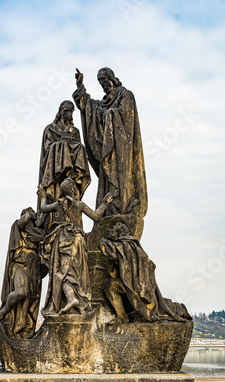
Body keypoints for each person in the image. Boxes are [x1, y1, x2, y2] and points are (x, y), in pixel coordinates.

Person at [73, 67, 147, 218]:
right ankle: (108, 210)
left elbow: (125, 115)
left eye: (104, 80)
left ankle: (122, 207)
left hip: (121, 147)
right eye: (100, 81)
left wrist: (108, 115)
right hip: (108, 146)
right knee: (107, 176)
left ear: (111, 78)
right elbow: (89, 107)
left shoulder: (126, 95)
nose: (102, 84)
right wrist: (80, 86)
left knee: (120, 178)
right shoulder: (103, 102)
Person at [38, 178, 113, 316]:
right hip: (77, 240)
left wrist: (42, 197)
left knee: (63, 273)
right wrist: (104, 204)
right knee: (73, 273)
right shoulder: (79, 205)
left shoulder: (57, 205)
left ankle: (72, 298)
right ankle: (73, 298)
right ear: (73, 191)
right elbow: (96, 216)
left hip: (63, 239)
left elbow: (43, 208)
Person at [99, 223, 191, 323]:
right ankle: (123, 316)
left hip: (136, 286)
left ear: (119, 233)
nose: (108, 231)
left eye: (112, 229)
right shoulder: (131, 246)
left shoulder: (125, 246)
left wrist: (101, 241)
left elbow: (106, 249)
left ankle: (122, 316)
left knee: (109, 284)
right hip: (135, 285)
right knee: (110, 284)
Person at [38, 100, 91, 231]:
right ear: (60, 112)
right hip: (54, 172)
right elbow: (48, 148)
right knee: (61, 145)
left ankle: (76, 175)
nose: (68, 114)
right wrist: (63, 146)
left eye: (71, 112)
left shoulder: (75, 131)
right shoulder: (50, 129)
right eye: (66, 111)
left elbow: (77, 146)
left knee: (81, 148)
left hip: (70, 177)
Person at [0, 207, 45, 338]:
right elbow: (24, 220)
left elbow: (46, 243)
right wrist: (33, 215)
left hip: (34, 268)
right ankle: (5, 309)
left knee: (32, 299)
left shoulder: (38, 233)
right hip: (19, 265)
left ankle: (23, 328)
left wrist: (41, 237)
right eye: (29, 214)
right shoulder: (17, 228)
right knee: (21, 292)